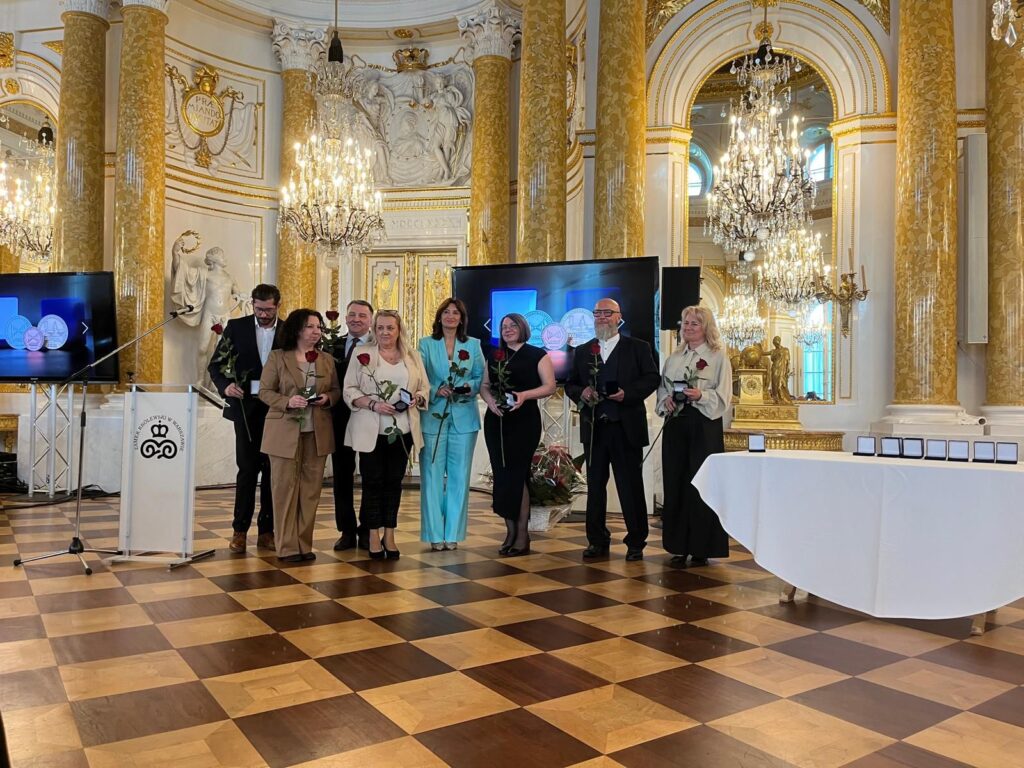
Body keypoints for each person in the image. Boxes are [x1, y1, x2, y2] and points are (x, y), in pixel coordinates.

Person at [566, 298, 660, 561]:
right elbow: (571, 384)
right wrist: (582, 392)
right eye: (597, 313)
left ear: (619, 317)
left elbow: (652, 378)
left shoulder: (638, 348)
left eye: (607, 313)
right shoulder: (583, 351)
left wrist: (627, 394)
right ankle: (596, 540)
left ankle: (636, 542)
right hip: (594, 429)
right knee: (595, 487)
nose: (602, 317)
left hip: (626, 428)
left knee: (630, 487)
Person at [344, 310, 429, 560]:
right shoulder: (362, 354)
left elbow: (424, 387)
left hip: (402, 430)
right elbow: (349, 389)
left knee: (394, 483)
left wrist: (417, 398)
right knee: (372, 483)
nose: (385, 332)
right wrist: (373, 404)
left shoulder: (412, 355)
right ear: (374, 329)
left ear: (399, 330)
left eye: (390, 328)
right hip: (370, 429)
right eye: (380, 327)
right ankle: (372, 534)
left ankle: (389, 534)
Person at [258, 309, 340, 562]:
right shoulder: (278, 357)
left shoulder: (326, 359)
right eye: (310, 326)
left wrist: (327, 398)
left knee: (310, 491)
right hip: (283, 432)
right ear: (296, 330)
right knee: (284, 490)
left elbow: (336, 390)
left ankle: (304, 546)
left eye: (319, 327)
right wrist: (287, 401)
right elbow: (264, 392)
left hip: (316, 432)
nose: (316, 331)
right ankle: (287, 547)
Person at [207, 283, 282, 554]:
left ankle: (267, 531)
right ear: (252, 304)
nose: (263, 314)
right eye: (259, 309)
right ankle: (239, 531)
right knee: (248, 470)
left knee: (272, 472)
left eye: (268, 310)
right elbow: (216, 366)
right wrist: (226, 386)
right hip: (246, 411)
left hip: (278, 412)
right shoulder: (236, 328)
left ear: (278, 306)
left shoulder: (287, 331)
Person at [656, 305, 733, 566]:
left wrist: (701, 395)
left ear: (706, 327)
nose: (688, 328)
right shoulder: (674, 358)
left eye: (694, 324)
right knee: (676, 482)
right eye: (685, 323)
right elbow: (662, 389)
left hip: (703, 426)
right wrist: (666, 401)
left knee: (701, 484)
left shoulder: (718, 357)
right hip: (676, 424)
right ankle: (678, 545)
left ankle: (702, 546)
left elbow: (724, 396)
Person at [481, 314, 556, 556]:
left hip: (524, 421)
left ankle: (522, 535)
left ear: (523, 328)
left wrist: (525, 395)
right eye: (504, 326)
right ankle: (510, 532)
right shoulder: (494, 354)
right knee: (502, 475)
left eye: (513, 325)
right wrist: (490, 402)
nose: (508, 329)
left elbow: (550, 386)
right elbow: (484, 386)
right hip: (497, 421)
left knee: (517, 475)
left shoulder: (537, 354)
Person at [418, 298, 485, 550]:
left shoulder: (474, 344)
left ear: (462, 318)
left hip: (464, 418)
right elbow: (419, 378)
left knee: (459, 478)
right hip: (433, 417)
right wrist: (436, 390)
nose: (450, 316)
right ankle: (435, 535)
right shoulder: (425, 344)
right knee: (432, 476)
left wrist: (469, 386)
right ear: (439, 316)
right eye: (446, 312)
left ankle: (453, 533)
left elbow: (481, 377)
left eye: (456, 312)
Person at [330, 299, 374, 552]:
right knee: (342, 475)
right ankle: (346, 530)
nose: (356, 319)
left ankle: (367, 529)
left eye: (362, 315)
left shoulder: (378, 346)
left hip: (368, 417)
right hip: (338, 419)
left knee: (370, 473)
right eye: (352, 315)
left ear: (370, 320)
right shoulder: (331, 345)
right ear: (345, 318)